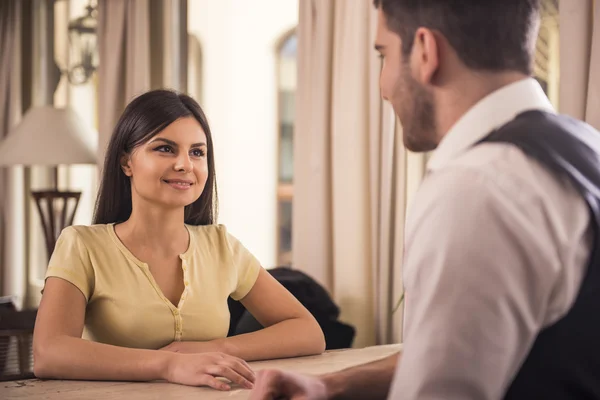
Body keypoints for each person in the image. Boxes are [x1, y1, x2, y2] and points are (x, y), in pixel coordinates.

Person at [250, 0, 600, 399]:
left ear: (425, 51)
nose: (383, 88)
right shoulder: (585, 148)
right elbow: (466, 352)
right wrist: (330, 386)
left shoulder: (475, 188)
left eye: (384, 55)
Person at [32, 90, 325, 391]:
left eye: (197, 152)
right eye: (165, 149)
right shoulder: (82, 245)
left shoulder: (222, 246)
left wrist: (217, 348)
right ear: (126, 162)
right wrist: (169, 365)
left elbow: (308, 332)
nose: (185, 164)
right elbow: (49, 352)